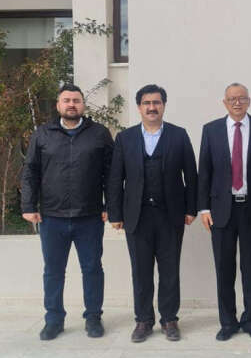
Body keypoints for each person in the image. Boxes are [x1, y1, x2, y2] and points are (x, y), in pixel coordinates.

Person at [21, 84, 113, 340]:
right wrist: (28, 206)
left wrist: (111, 206)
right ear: (58, 105)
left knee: (92, 269)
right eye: (67, 100)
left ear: (83, 104)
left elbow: (112, 174)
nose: (72, 104)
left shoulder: (99, 133)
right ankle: (54, 319)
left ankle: (93, 317)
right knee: (53, 271)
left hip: (90, 217)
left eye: (76, 100)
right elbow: (30, 172)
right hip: (52, 217)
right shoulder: (42, 134)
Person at [107, 84, 197, 342]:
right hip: (137, 216)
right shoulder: (125, 138)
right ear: (139, 107)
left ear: (163, 105)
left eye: (156, 102)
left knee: (170, 270)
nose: (152, 107)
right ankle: (143, 320)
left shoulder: (179, 135)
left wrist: (191, 209)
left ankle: (169, 319)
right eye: (147, 103)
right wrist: (115, 213)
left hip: (171, 215)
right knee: (141, 271)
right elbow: (115, 178)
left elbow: (191, 175)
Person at [198, 83, 251, 341]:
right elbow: (204, 171)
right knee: (224, 269)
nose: (237, 103)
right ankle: (228, 322)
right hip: (221, 210)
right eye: (232, 99)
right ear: (224, 102)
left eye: (241, 98)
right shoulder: (211, 130)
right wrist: (204, 208)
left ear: (249, 101)